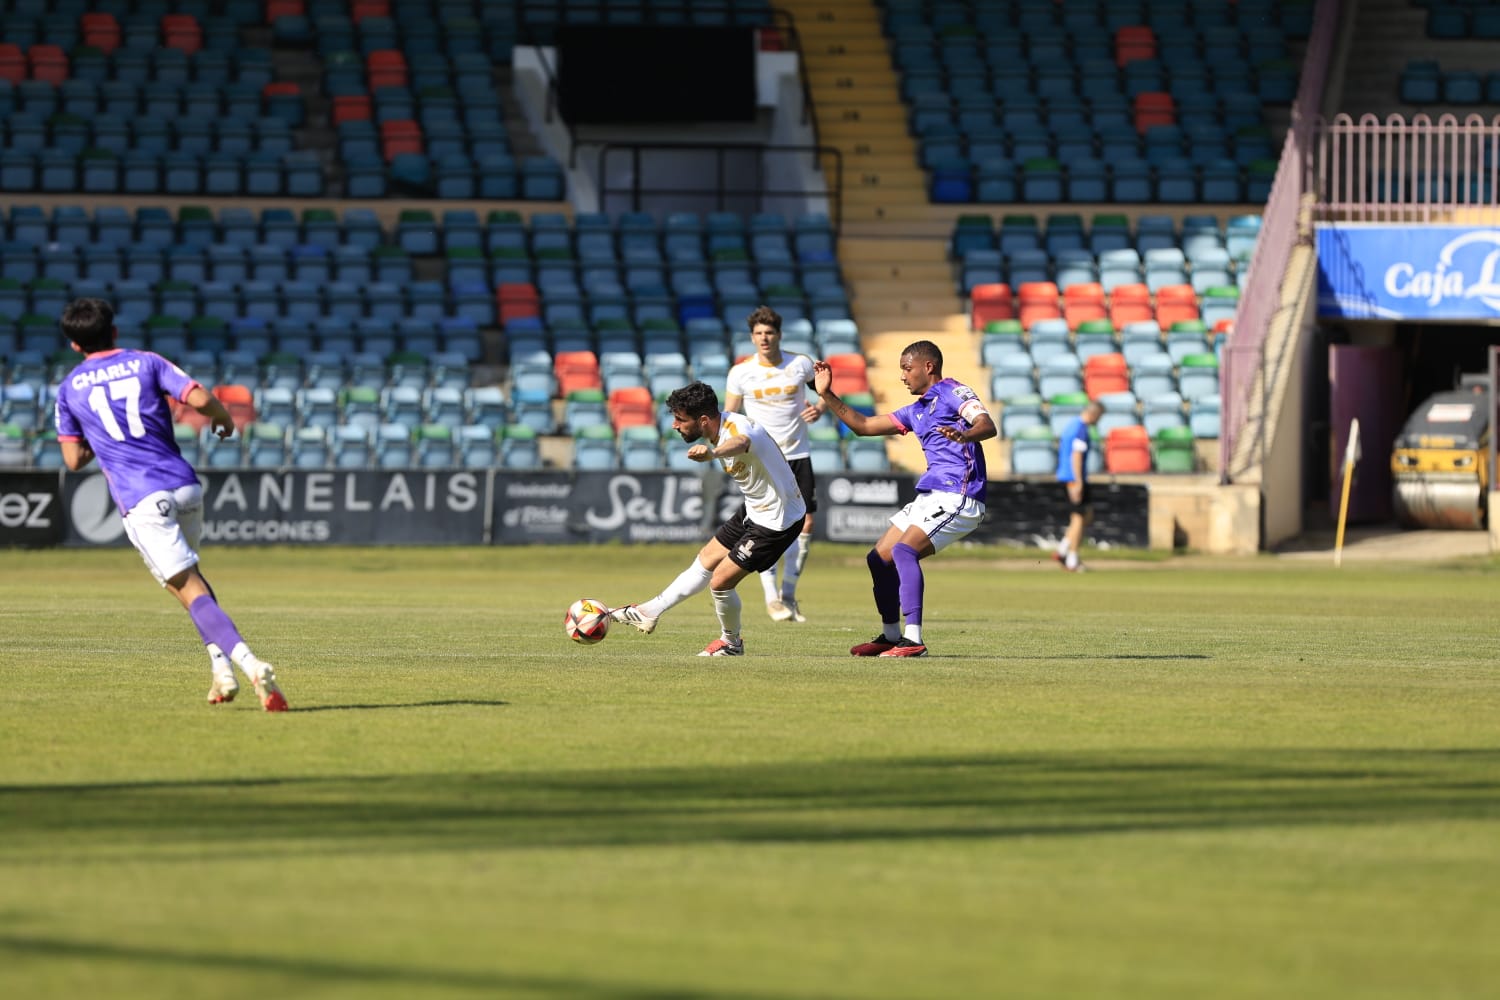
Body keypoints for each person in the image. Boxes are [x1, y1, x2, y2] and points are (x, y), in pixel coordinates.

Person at [53, 297, 288, 711]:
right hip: (184, 486)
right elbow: (198, 399)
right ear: (114, 332)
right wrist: (224, 418)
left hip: (142, 498)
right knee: (192, 580)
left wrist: (102, 441)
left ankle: (250, 664)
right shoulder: (147, 361)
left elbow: (73, 460)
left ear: (74, 345)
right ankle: (221, 672)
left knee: (186, 586)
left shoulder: (70, 388)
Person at [812, 340, 996, 658]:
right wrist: (827, 394)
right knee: (878, 558)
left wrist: (965, 435)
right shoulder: (916, 411)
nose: (902, 376)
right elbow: (864, 426)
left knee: (902, 550)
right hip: (931, 495)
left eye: (906, 368)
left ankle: (914, 640)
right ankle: (891, 635)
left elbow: (987, 425)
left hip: (959, 495)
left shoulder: (954, 391)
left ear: (929, 367)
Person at [609, 381, 808, 656]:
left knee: (720, 582)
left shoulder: (738, 430)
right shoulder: (718, 427)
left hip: (778, 520)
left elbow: (742, 443)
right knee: (706, 558)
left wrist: (713, 453)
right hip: (755, 508)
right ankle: (648, 611)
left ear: (703, 420)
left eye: (680, 419)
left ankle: (731, 643)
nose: (675, 426)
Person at [723, 305, 823, 624]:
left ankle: (789, 596)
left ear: (779, 335)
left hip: (797, 455)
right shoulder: (741, 372)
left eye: (769, 333)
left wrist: (820, 408)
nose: (764, 338)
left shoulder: (800, 364)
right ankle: (771, 599)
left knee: (804, 525)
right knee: (768, 525)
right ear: (752, 338)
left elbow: (825, 391)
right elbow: (730, 416)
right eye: (758, 334)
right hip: (763, 460)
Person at [1053, 400, 1104, 573]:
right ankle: (1072, 559)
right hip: (1074, 478)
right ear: (1094, 414)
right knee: (1079, 518)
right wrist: (1078, 482)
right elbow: (1076, 456)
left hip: (1068, 476)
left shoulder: (1071, 425)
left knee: (1086, 515)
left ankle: (1063, 549)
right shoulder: (1081, 429)